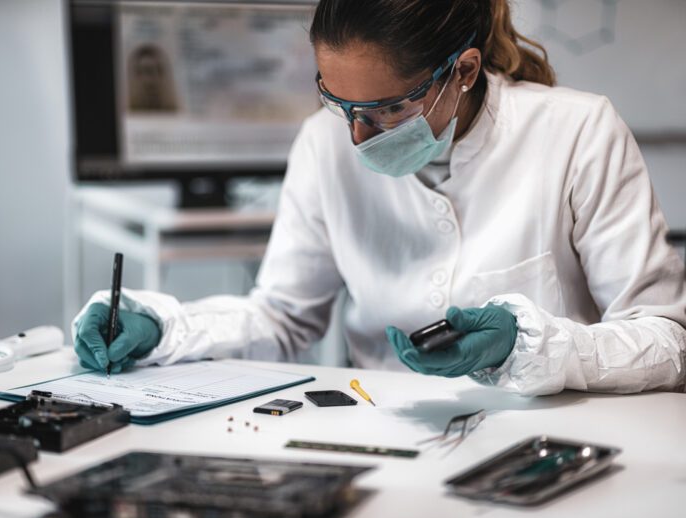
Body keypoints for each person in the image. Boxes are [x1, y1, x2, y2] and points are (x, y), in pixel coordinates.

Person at [73, 0, 686, 396]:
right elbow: (282, 319)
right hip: (387, 439)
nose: (356, 136)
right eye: (338, 103)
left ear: (464, 71)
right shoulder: (322, 147)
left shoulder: (577, 132)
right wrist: (163, 330)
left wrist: (533, 346)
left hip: (550, 443)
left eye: (387, 110)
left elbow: (665, 339)